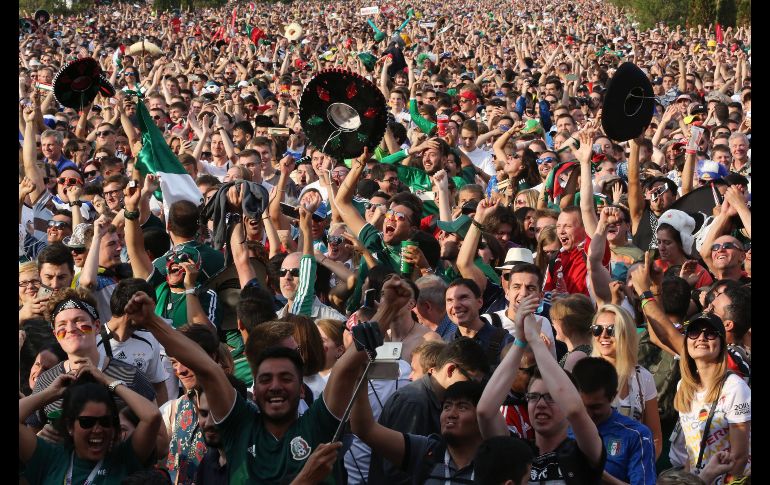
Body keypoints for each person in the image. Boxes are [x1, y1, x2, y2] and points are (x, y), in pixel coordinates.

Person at [124, 274, 412, 483]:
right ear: (254, 389)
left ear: (301, 389)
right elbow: (206, 366)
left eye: (286, 378)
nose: (275, 386)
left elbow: (348, 367)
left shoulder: (318, 426)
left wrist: (387, 308)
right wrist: (152, 322)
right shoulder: (239, 426)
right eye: (266, 379)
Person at [476, 294, 606, 484]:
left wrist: (535, 341)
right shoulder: (516, 452)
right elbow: (484, 412)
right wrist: (520, 341)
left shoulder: (583, 451)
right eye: (534, 397)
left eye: (550, 397)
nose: (541, 404)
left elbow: (574, 410)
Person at [30, 288, 156, 440]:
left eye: (79, 320)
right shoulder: (46, 381)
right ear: (56, 335)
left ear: (97, 326)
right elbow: (29, 439)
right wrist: (39, 441)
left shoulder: (131, 375)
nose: (70, 329)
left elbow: (160, 441)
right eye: (62, 324)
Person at [368, 338, 489, 485]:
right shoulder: (414, 402)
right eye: (472, 380)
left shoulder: (434, 398)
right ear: (451, 370)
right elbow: (398, 472)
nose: (474, 388)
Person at [20, 365, 161, 483]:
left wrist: (109, 381)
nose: (98, 429)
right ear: (70, 426)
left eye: (105, 421)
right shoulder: (50, 457)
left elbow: (152, 416)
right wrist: (52, 392)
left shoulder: (124, 459)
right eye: (87, 422)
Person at [352, 381, 486, 485]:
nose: (451, 414)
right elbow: (365, 429)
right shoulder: (427, 451)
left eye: (462, 407)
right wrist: (359, 378)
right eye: (447, 407)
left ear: (480, 416)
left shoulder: (494, 461)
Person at [590, 304, 663, 458]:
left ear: (627, 334)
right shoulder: (584, 374)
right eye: (597, 329)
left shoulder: (643, 377)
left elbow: (655, 437)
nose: (603, 335)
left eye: (612, 330)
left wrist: (641, 470)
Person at [571, 357, 657, 485]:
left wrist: (599, 472)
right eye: (582, 406)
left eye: (595, 407)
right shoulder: (560, 428)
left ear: (612, 397)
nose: (588, 414)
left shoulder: (636, 435)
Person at [97, 278, 170, 406]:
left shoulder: (149, 340)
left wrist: (162, 421)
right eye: (149, 307)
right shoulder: (93, 341)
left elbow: (158, 386)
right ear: (136, 307)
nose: (152, 314)